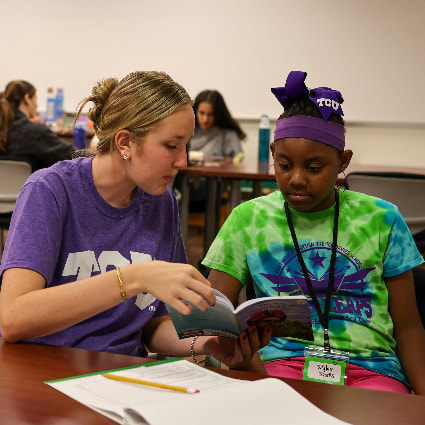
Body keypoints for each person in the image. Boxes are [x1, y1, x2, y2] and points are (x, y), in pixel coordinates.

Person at [0, 71, 270, 373]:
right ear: (125, 142)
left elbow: (151, 325)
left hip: (121, 377)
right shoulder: (50, 192)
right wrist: (132, 278)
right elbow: (12, 318)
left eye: (186, 146)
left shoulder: (161, 201)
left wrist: (205, 344)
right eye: (172, 145)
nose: (183, 161)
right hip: (42, 372)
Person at [202, 70, 425, 393]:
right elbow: (216, 320)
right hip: (277, 368)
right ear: (273, 156)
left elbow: (408, 327)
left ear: (343, 162)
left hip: (371, 371)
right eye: (284, 164)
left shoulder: (382, 218)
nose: (296, 179)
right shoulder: (248, 218)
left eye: (314, 168)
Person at [0, 80, 75, 172]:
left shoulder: (6, 129)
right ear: (27, 99)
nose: (37, 105)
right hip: (29, 186)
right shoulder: (34, 132)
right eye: (36, 99)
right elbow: (71, 156)